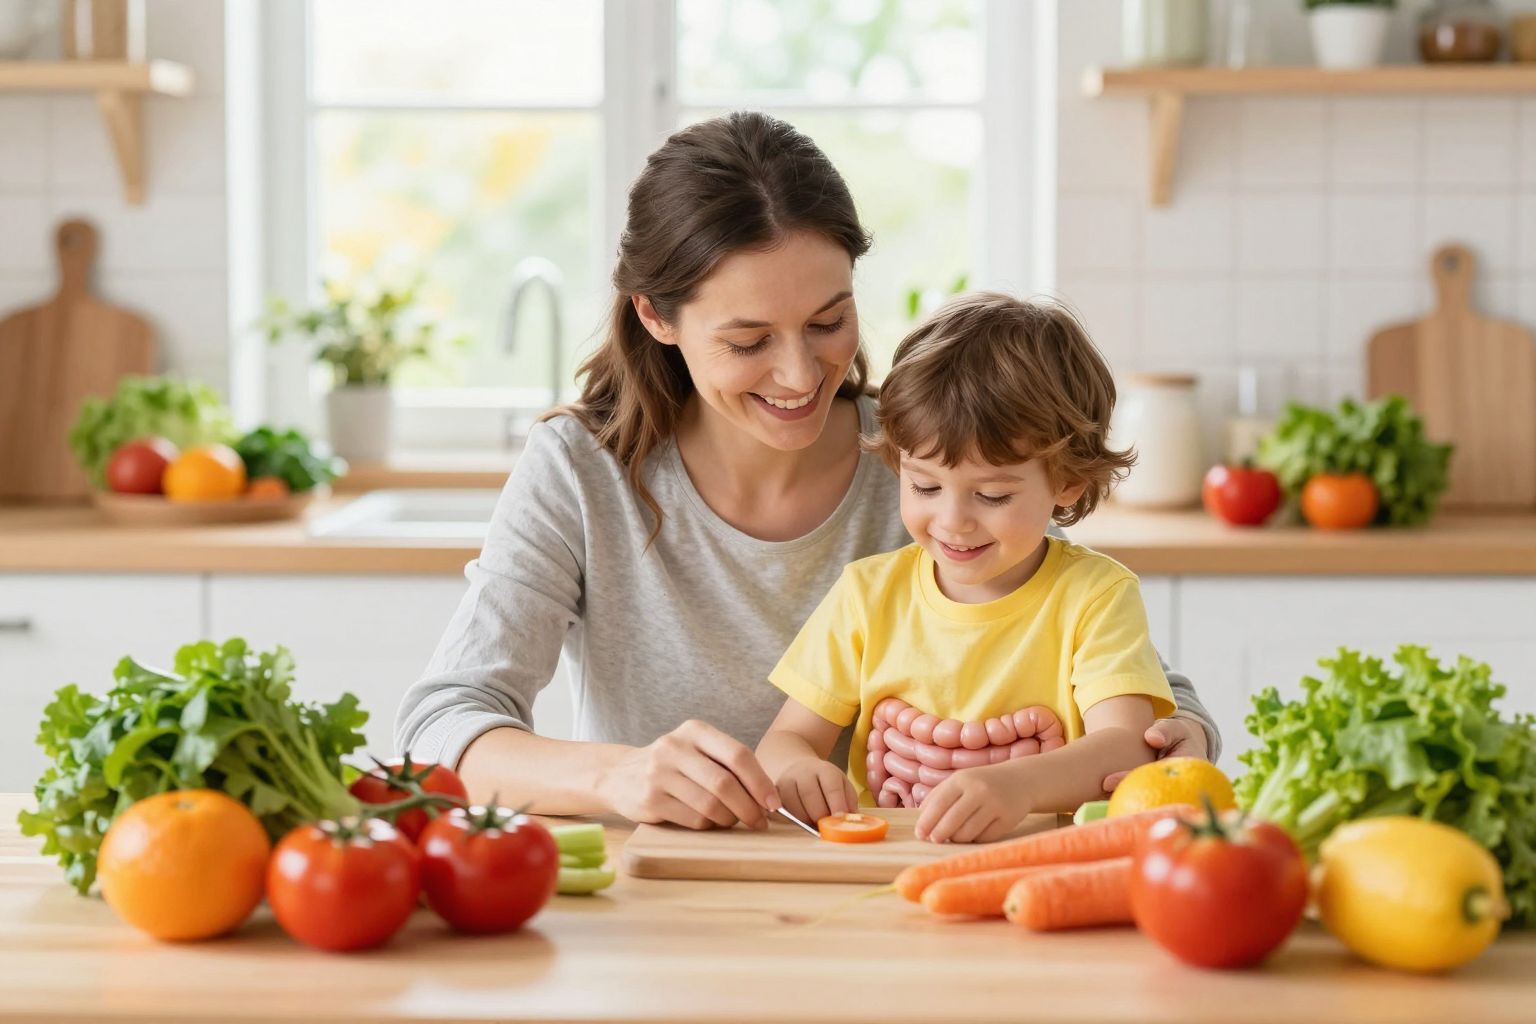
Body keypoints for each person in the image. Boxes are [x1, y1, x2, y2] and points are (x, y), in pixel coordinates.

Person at [394, 111, 1221, 831]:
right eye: (749, 342)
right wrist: (616, 775)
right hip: (663, 903)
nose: (799, 376)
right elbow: (442, 723)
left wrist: (1177, 738)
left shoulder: (921, 456)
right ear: (656, 316)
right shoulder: (581, 471)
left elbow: (1144, 690)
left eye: (829, 321)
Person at [757, 293, 1173, 844]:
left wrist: (1018, 787)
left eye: (993, 495)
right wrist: (795, 770)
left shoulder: (1095, 595)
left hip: (1034, 866)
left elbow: (1126, 745)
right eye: (924, 486)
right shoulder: (867, 595)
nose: (953, 521)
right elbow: (786, 739)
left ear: (1068, 481)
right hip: (880, 869)